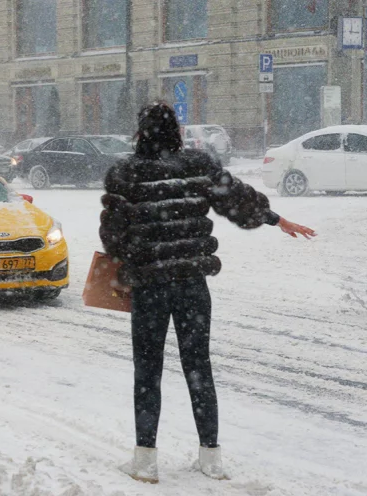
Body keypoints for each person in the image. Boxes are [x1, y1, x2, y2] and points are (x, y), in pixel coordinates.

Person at [99, 102, 315, 484]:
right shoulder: (197, 166)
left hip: (149, 289)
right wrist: (275, 219)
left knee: (147, 371)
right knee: (198, 368)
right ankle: (211, 456)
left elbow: (113, 237)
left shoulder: (125, 174)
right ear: (177, 132)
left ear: (140, 133)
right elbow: (236, 199)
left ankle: (145, 460)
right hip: (191, 286)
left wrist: (135, 255)